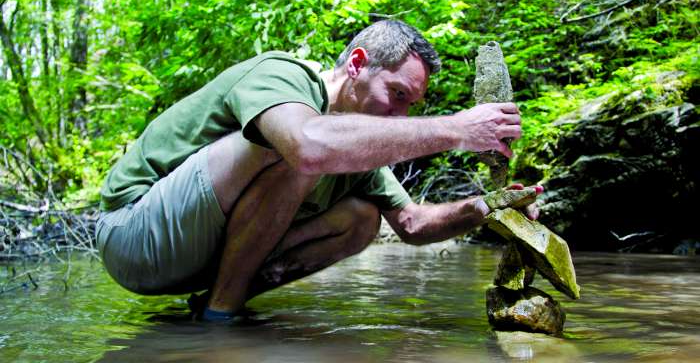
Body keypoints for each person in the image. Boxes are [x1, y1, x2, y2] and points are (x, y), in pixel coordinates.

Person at [96, 20, 540, 322]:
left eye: (412, 105)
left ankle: (215, 302)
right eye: (397, 94)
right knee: (299, 148)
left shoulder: (359, 145)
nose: (402, 116)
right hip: (133, 235)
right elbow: (308, 148)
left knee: (363, 218)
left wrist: (490, 207)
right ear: (357, 64)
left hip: (193, 261)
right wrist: (456, 130)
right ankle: (221, 317)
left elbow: (412, 224)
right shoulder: (282, 75)